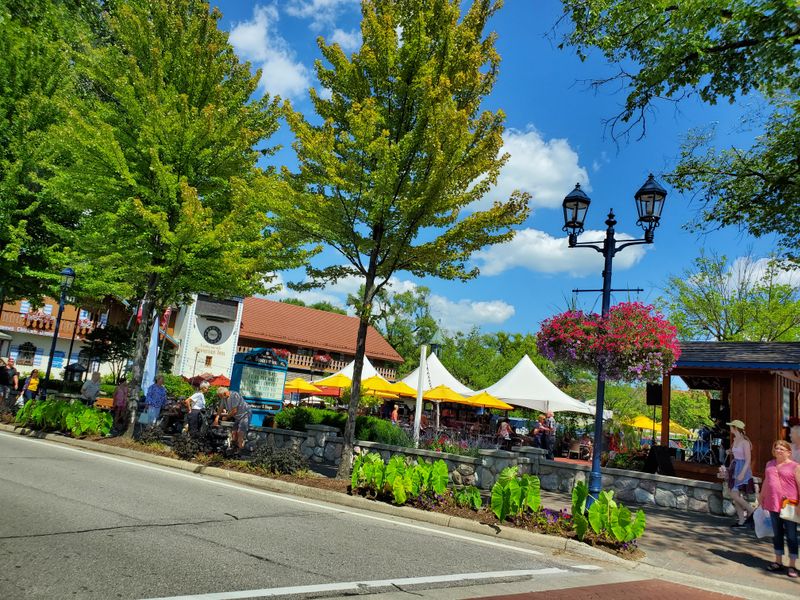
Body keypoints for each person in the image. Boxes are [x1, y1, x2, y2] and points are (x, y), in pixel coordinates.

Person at [758, 440, 800, 578]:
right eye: (777, 448)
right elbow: (766, 482)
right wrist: (761, 496)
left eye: (782, 448)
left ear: (789, 452)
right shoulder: (769, 464)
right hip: (773, 503)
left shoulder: (795, 466)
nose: (779, 450)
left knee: (792, 535)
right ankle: (778, 561)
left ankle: (792, 565)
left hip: (790, 505)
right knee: (777, 534)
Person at [726, 419, 755, 528]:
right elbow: (734, 452)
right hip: (734, 466)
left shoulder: (745, 442)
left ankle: (752, 511)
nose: (730, 428)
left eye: (731, 426)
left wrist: (742, 473)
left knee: (733, 493)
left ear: (735, 428)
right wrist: (729, 451)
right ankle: (741, 520)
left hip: (742, 468)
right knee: (735, 495)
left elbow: (748, 459)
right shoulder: (735, 440)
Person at [214, 386, 250, 452]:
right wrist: (216, 419)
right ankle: (234, 450)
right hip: (237, 417)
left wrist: (227, 417)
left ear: (224, 393)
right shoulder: (224, 398)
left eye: (220, 396)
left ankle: (240, 451)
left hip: (245, 414)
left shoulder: (234, 395)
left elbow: (234, 411)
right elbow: (220, 408)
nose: (220, 397)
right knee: (233, 433)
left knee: (240, 433)